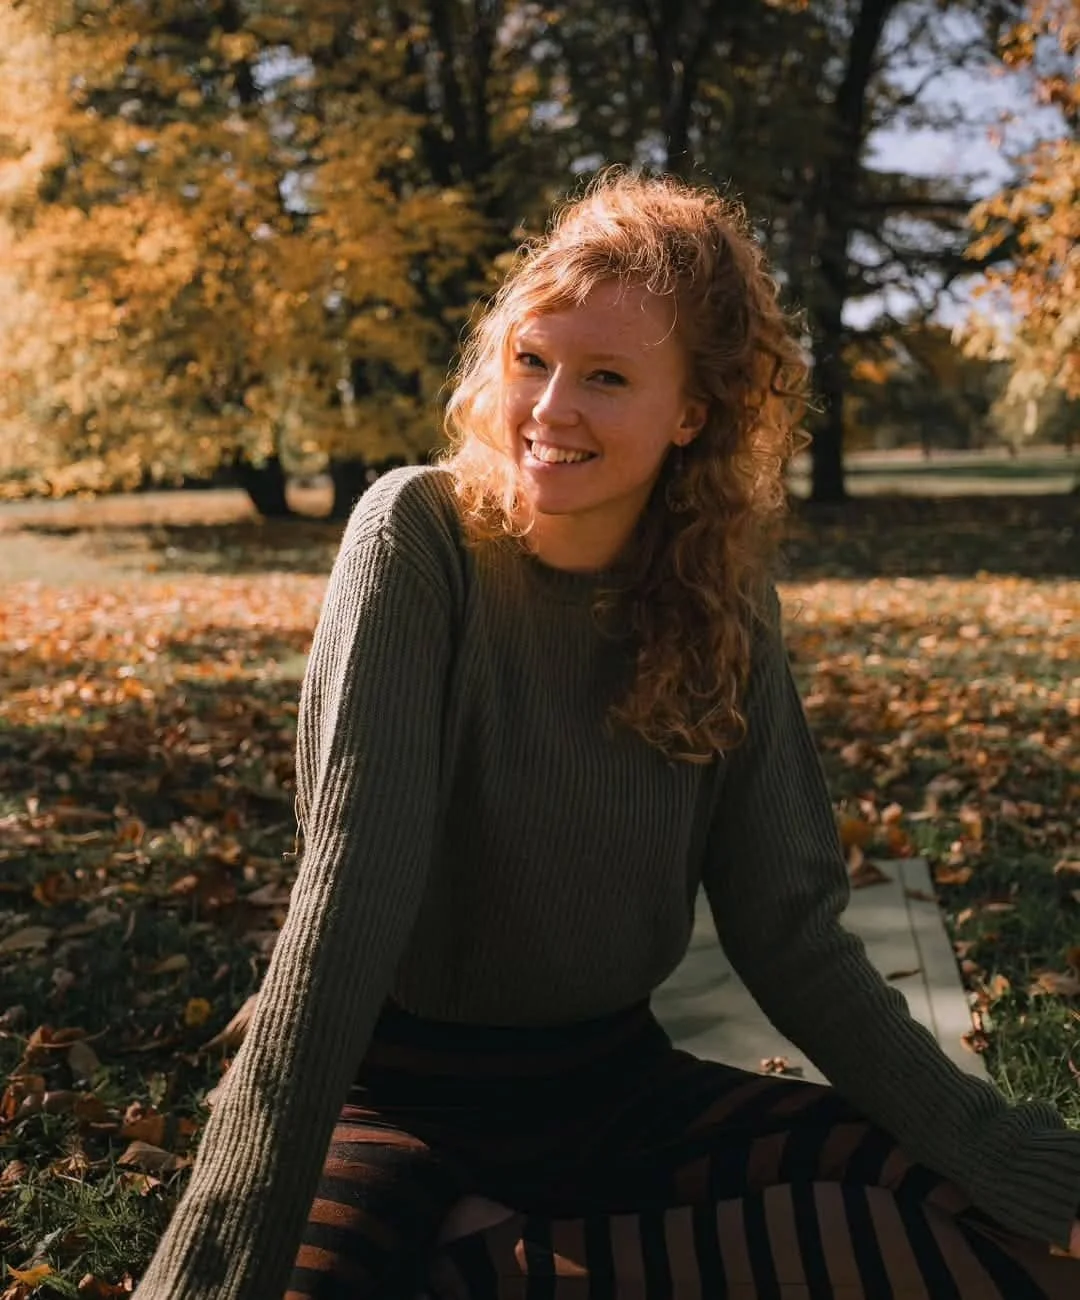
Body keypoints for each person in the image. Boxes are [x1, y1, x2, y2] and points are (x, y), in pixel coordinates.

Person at [134, 170, 1080, 1300]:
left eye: (608, 377)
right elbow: (347, 908)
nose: (550, 408)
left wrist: (1002, 1153)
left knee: (1008, 1246)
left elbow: (796, 935)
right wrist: (209, 1270)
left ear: (693, 413)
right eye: (533, 359)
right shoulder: (416, 539)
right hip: (398, 1099)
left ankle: (494, 1258)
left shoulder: (722, 603)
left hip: (619, 1090)